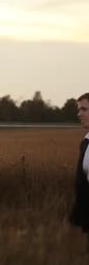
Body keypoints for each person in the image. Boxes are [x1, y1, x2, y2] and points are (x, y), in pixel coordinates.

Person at [70, 92, 89, 249]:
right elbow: (82, 185)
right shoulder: (85, 143)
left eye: (84, 109)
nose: (79, 113)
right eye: (79, 109)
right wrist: (76, 219)